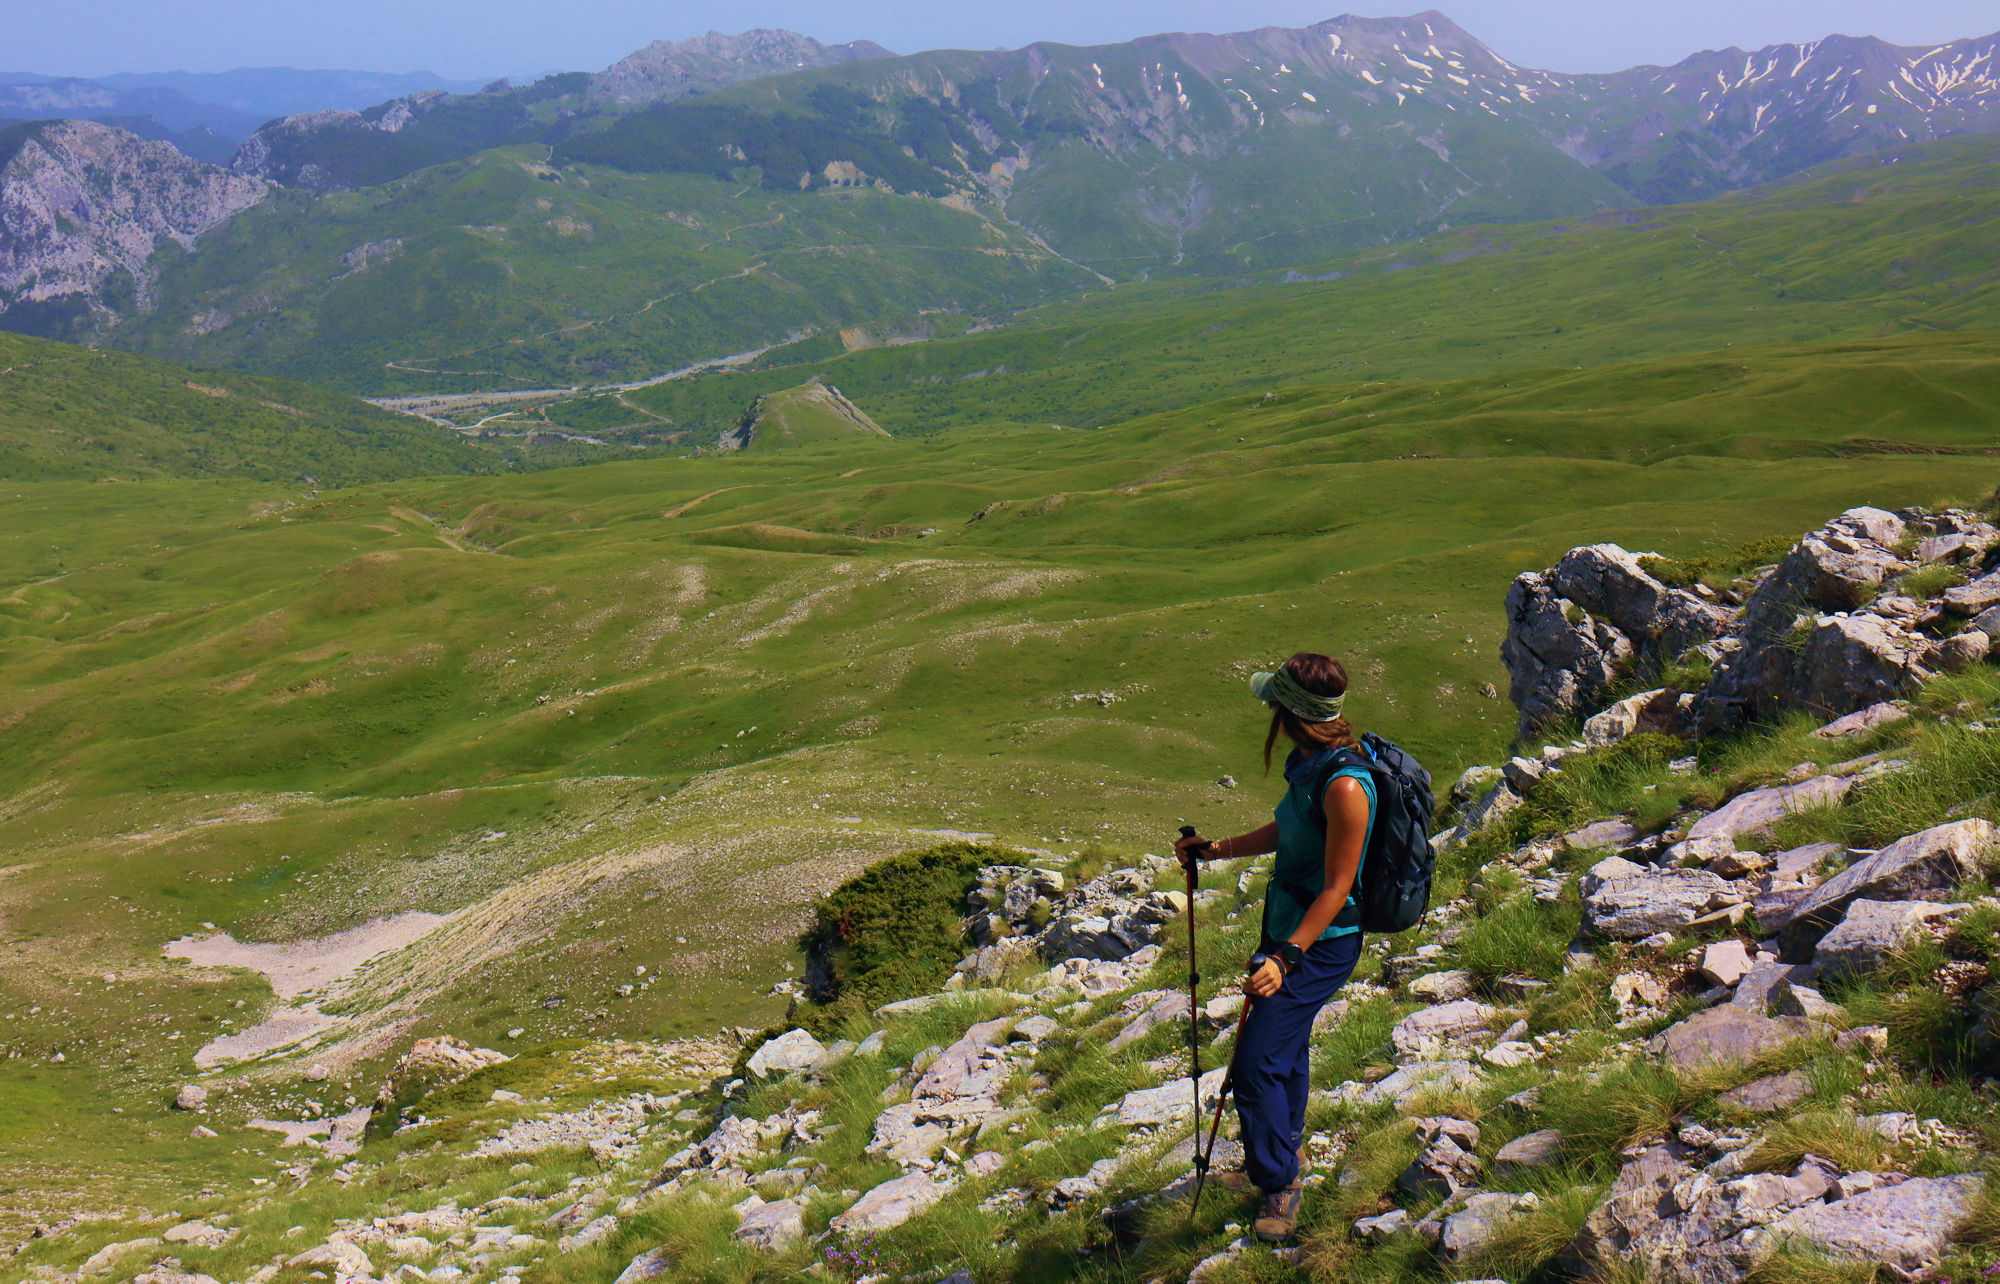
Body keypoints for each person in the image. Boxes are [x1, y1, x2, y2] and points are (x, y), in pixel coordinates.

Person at [1175, 651, 1374, 1243]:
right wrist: (1217, 851)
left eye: (1274, 704)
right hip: (1289, 929)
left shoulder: (1344, 785)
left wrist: (1287, 958)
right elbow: (1288, 828)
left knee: (1257, 1063)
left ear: (1289, 713)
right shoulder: (1311, 763)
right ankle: (1285, 1153)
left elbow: (1339, 888)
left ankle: (1278, 1182)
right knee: (1283, 1049)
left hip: (1320, 943)